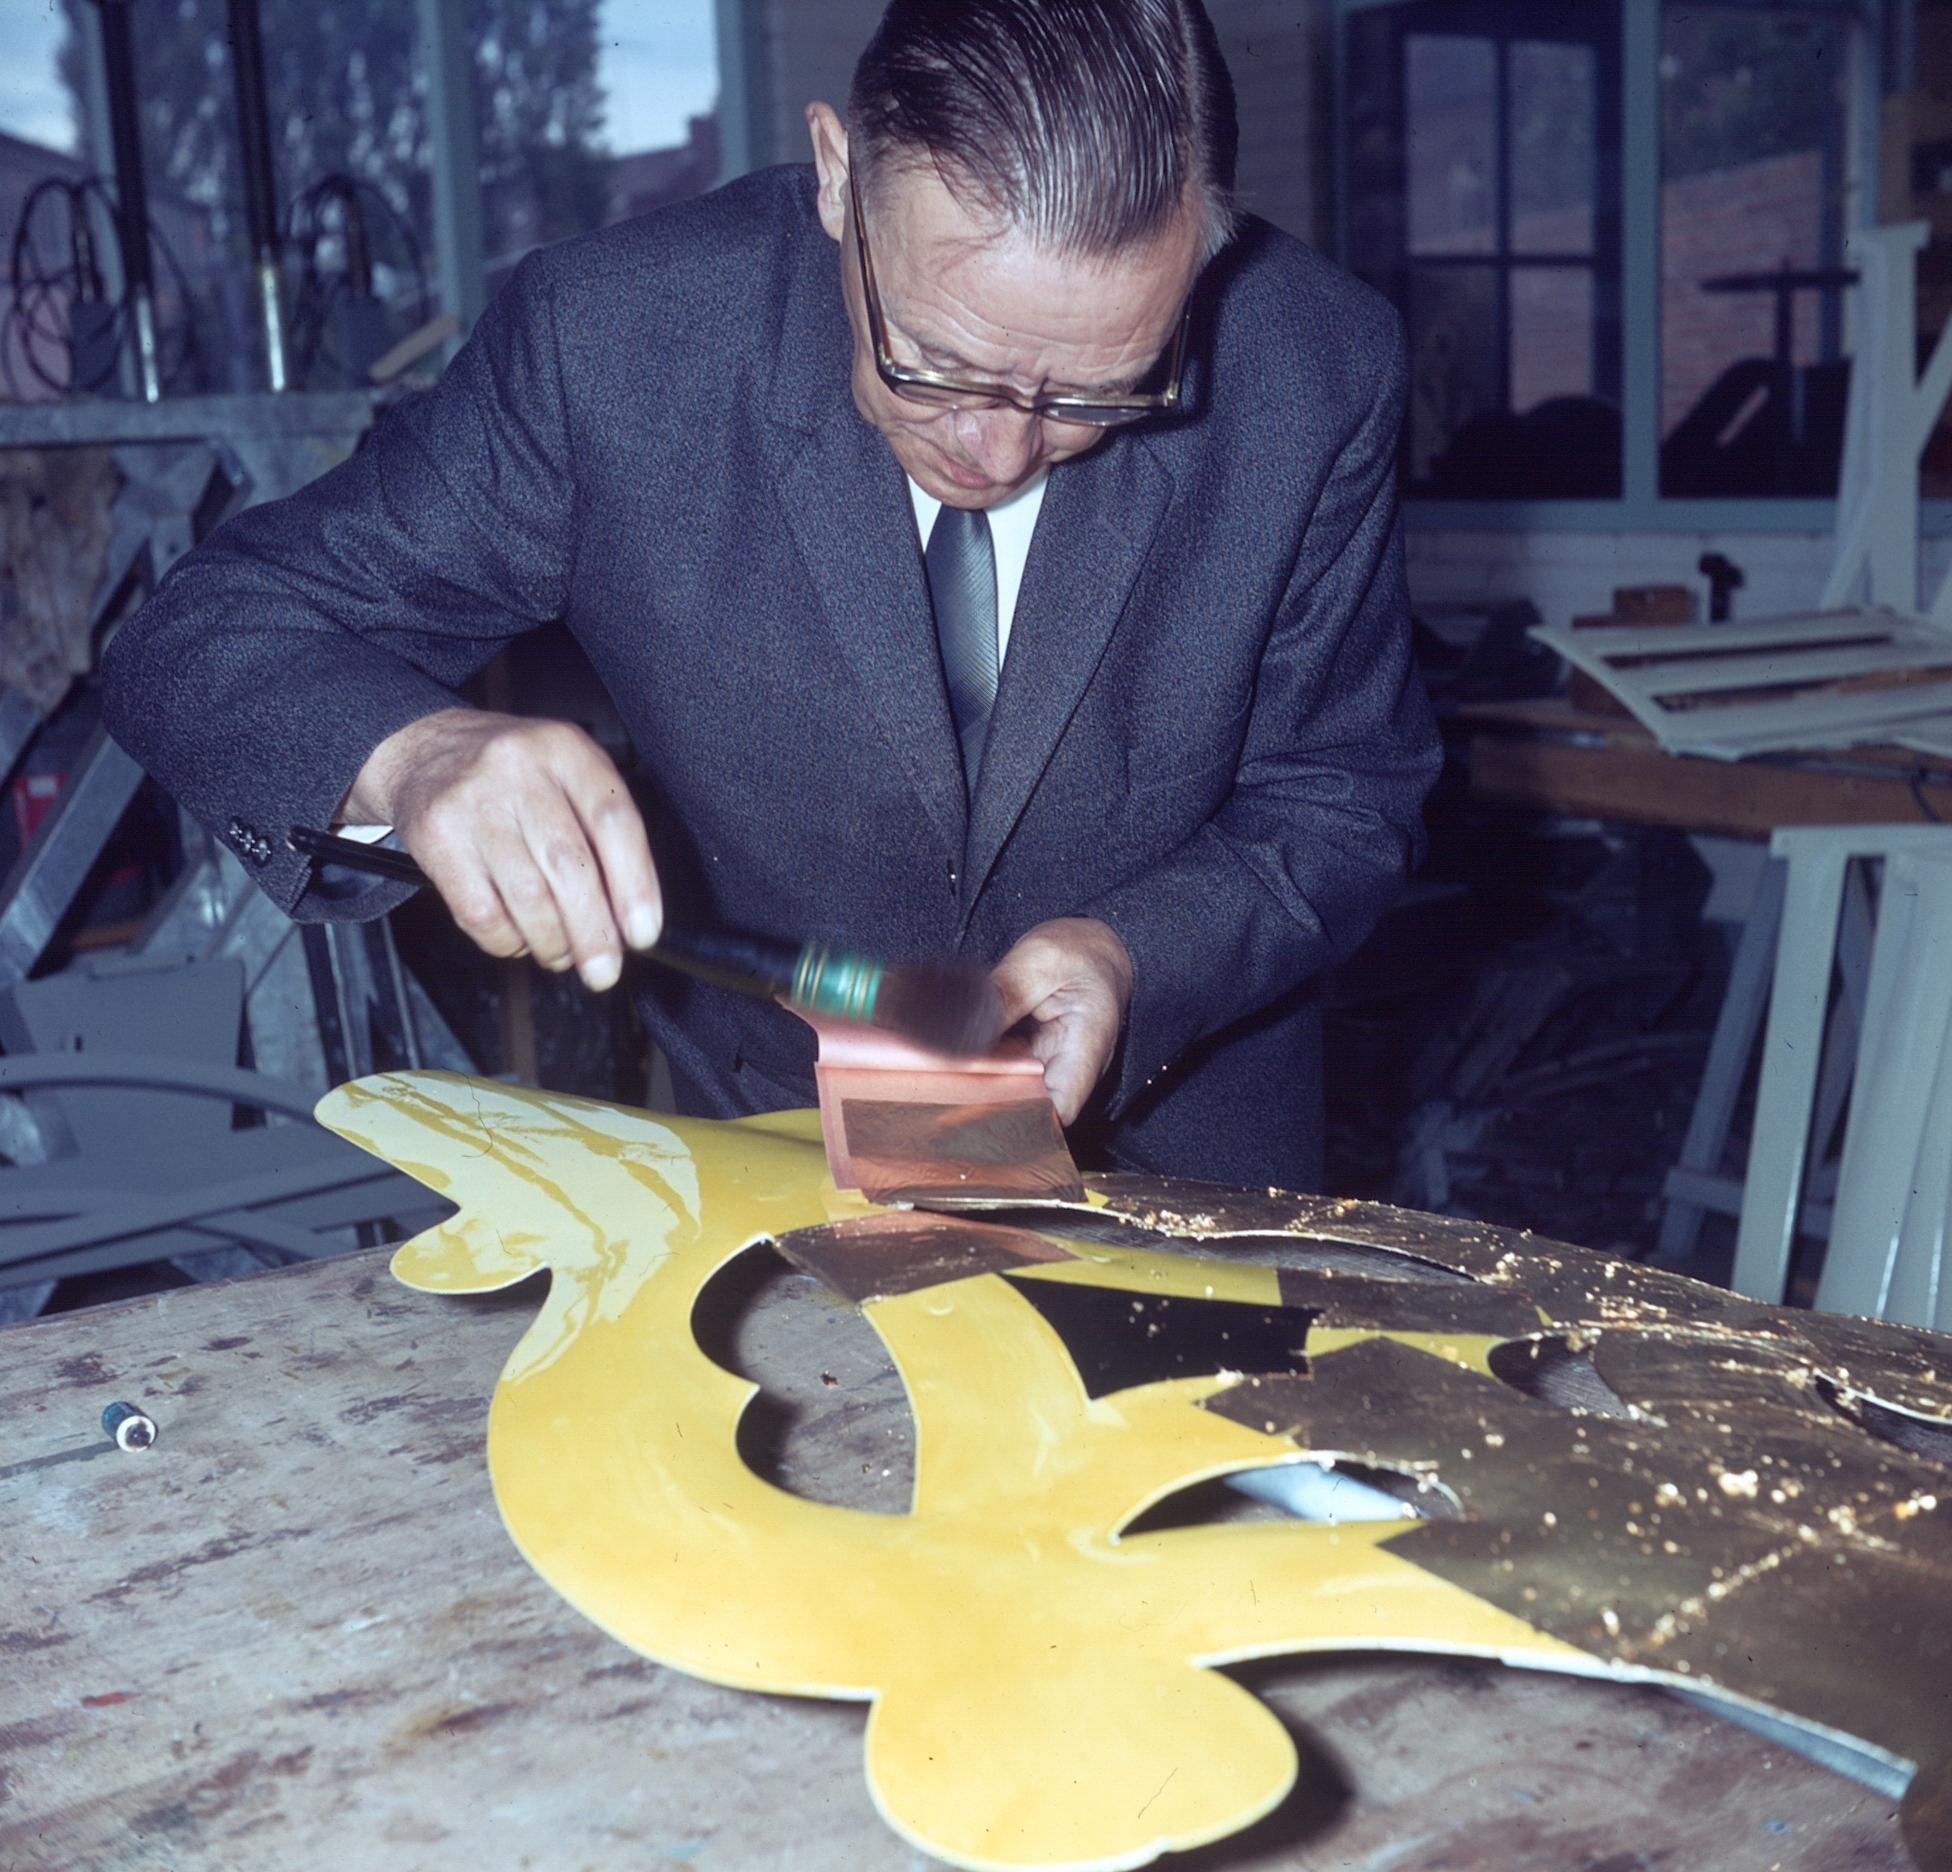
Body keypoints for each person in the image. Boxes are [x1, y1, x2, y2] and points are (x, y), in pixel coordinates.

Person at [101, 0, 1438, 1191]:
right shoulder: (616, 344)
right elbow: (197, 636)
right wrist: (413, 755)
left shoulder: (1315, 370)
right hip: (774, 1161)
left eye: (1098, 392)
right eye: (933, 364)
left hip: (1180, 1165)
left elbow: (1344, 796)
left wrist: (1135, 957)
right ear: (840, 176)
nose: (1000, 452)